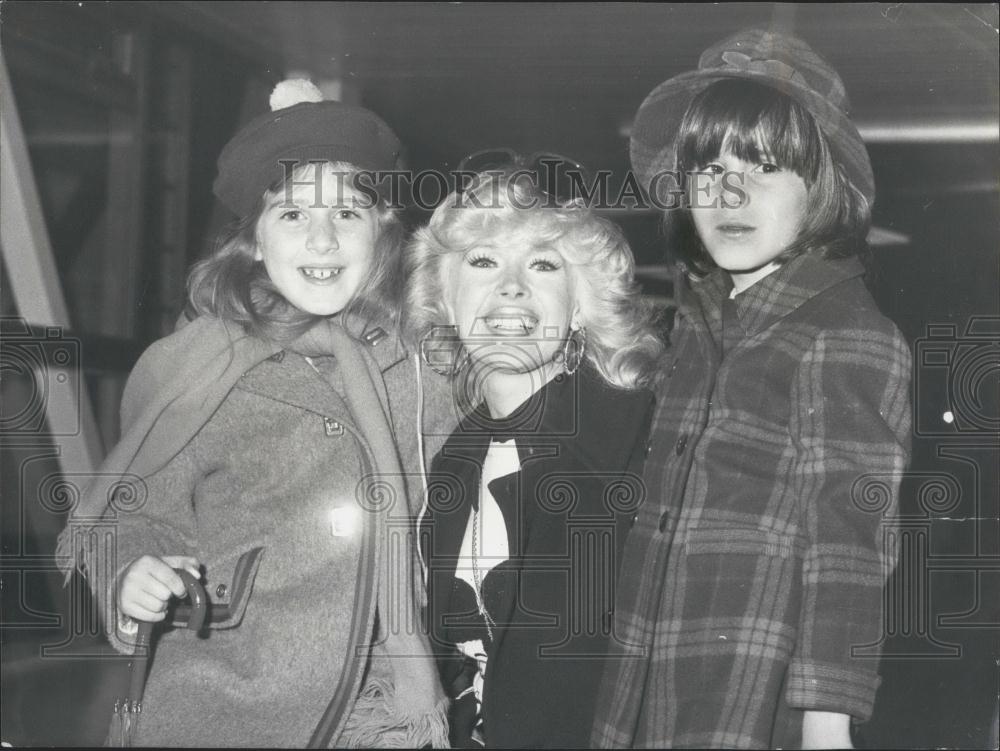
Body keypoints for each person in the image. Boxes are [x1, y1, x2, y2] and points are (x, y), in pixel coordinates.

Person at [55, 80, 452, 748]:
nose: (321, 237)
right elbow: (132, 510)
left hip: (382, 708)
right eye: (293, 215)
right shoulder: (202, 365)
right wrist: (133, 571)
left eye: (347, 214)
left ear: (382, 235)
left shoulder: (427, 363)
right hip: (224, 697)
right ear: (256, 243)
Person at [592, 29, 913, 749]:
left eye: (763, 167)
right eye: (706, 169)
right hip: (648, 673)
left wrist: (828, 722)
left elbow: (850, 545)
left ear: (822, 190)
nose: (728, 193)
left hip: (753, 690)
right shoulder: (697, 333)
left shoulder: (845, 330)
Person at [406, 168, 664, 748]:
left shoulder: (633, 443)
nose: (512, 287)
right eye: (482, 262)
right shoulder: (451, 457)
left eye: (543, 265)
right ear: (444, 299)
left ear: (580, 307)